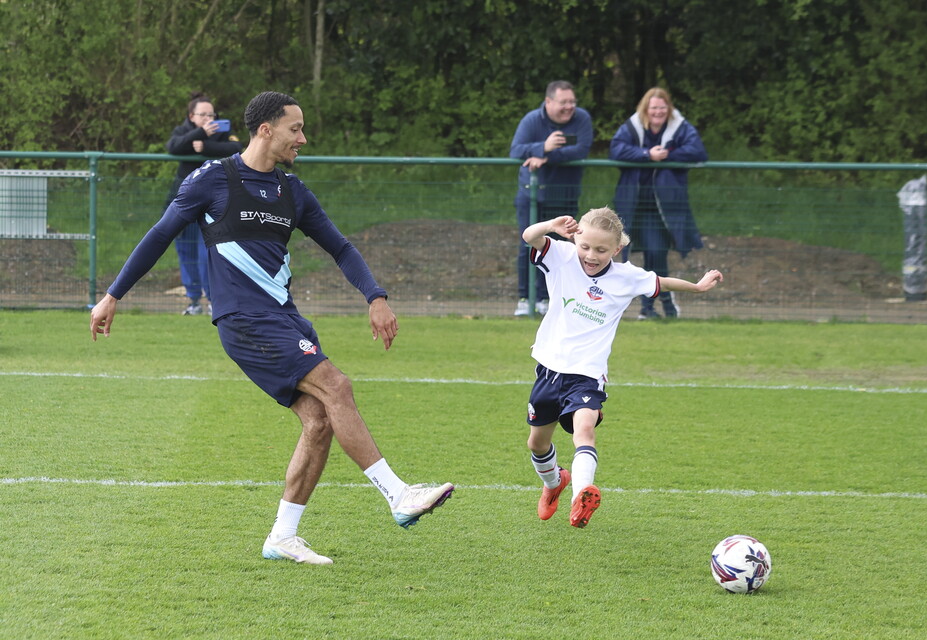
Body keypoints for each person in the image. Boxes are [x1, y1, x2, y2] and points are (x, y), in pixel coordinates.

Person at [90, 91, 454, 565]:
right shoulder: (212, 181)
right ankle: (398, 494)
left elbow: (341, 248)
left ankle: (283, 537)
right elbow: (160, 234)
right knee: (337, 386)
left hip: (285, 317)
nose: (303, 138)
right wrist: (113, 294)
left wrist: (376, 296)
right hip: (243, 319)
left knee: (319, 418)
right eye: (295, 129)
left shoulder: (293, 191)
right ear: (266, 129)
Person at [521, 207, 722, 528]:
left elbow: (660, 282)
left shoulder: (626, 276)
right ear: (575, 240)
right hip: (549, 368)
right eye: (585, 246)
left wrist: (696, 287)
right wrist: (551, 226)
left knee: (584, 428)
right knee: (537, 443)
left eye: (601, 250)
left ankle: (582, 493)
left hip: (586, 374)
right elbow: (529, 237)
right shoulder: (561, 256)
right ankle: (553, 483)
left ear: (616, 249)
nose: (591, 255)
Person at [609, 87, 708, 320]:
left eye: (662, 107)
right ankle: (659, 304)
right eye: (654, 107)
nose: (658, 112)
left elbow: (697, 151)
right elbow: (616, 150)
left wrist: (666, 155)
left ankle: (651, 307)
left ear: (669, 108)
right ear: (646, 108)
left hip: (663, 206)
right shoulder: (632, 126)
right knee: (637, 256)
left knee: (656, 253)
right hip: (633, 203)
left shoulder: (679, 127)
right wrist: (646, 155)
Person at [510, 80, 593, 317]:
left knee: (564, 249)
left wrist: (546, 155)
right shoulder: (532, 120)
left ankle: (551, 298)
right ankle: (525, 299)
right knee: (528, 245)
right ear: (548, 102)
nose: (569, 107)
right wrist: (542, 146)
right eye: (563, 102)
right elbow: (516, 150)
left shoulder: (582, 119)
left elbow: (582, 150)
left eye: (572, 102)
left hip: (565, 197)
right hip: (532, 196)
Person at [165, 93, 243, 316]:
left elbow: (236, 148)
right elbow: (173, 147)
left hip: (214, 201)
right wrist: (198, 134)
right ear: (192, 116)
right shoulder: (183, 131)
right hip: (183, 200)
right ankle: (193, 301)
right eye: (203, 115)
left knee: (208, 251)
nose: (209, 118)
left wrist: (205, 146)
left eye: (212, 114)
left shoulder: (223, 131)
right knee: (185, 249)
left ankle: (212, 300)